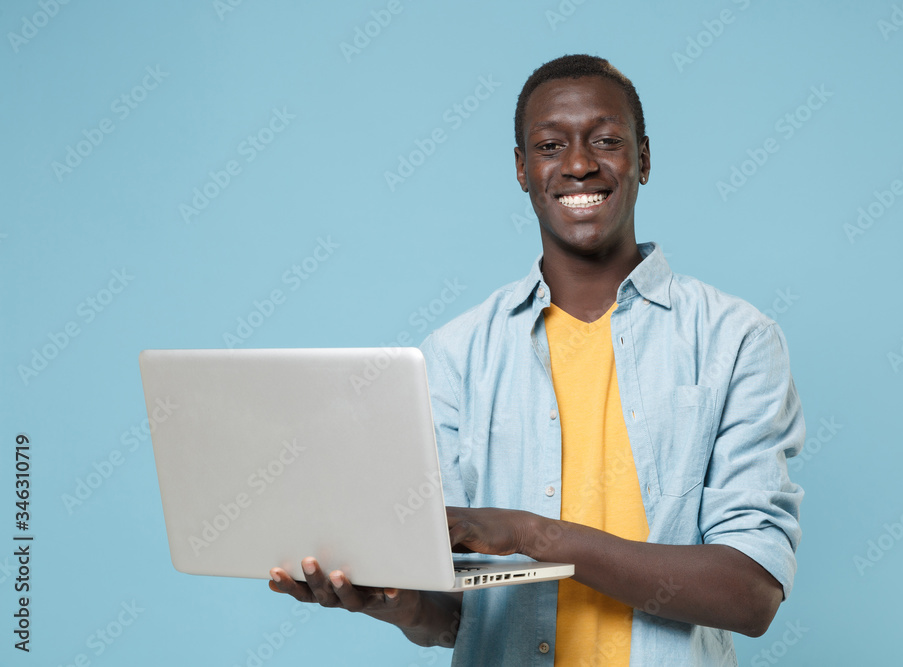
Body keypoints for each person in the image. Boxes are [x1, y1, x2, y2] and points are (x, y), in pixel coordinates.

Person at [269, 54, 804, 665]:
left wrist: (531, 534)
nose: (579, 164)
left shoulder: (737, 341)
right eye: (551, 146)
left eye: (606, 141)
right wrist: (393, 601)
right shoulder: (455, 355)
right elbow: (451, 615)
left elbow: (751, 594)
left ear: (645, 160)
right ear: (523, 169)